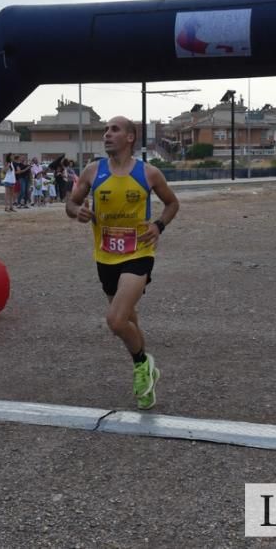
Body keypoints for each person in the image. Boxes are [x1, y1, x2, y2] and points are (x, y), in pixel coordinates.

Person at [66, 116, 179, 410]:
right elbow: (70, 203)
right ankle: (147, 369)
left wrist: (159, 225)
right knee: (129, 319)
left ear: (130, 138)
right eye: (106, 130)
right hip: (105, 256)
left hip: (138, 253)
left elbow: (172, 203)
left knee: (115, 320)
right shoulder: (93, 171)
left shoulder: (149, 173)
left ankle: (142, 364)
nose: (107, 134)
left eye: (114, 130)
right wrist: (77, 211)